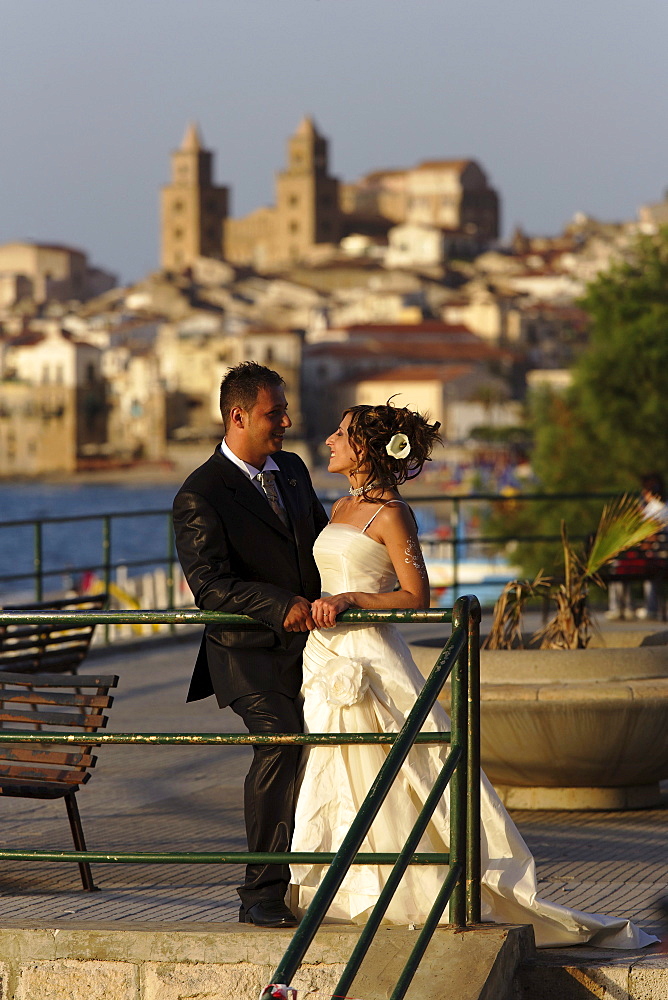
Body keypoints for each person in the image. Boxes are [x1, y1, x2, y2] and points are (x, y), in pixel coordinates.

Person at [290, 402, 657, 949]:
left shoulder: (392, 513)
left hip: (368, 653)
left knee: (401, 772)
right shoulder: (339, 504)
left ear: (365, 447)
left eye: (341, 433)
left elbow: (416, 596)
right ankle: (353, 887)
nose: (328, 440)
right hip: (324, 652)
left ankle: (412, 887)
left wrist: (351, 599)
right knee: (339, 768)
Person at [173, 362, 328, 928]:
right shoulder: (200, 493)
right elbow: (209, 584)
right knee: (281, 743)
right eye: (274, 413)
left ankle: (331, 876)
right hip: (244, 651)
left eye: (284, 410)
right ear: (237, 416)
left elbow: (320, 538)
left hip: (311, 643)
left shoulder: (291, 468)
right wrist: (277, 604)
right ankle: (260, 892)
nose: (286, 421)